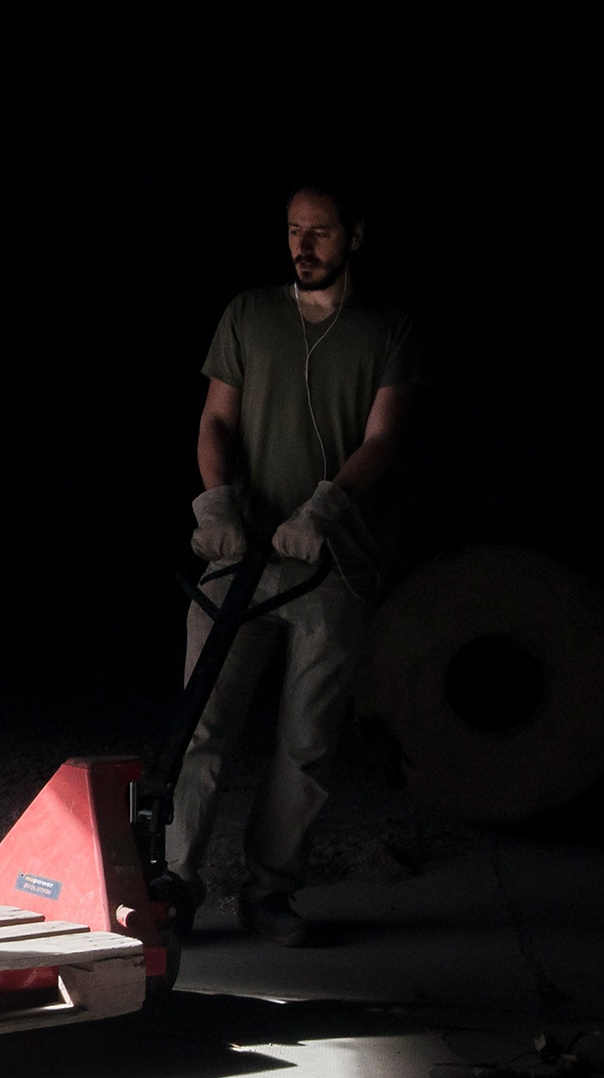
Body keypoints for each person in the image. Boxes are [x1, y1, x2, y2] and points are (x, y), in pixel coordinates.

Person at [167, 180, 421, 946]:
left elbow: (381, 441)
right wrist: (215, 501)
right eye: (293, 231)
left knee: (306, 743)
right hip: (241, 554)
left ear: (355, 236)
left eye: (321, 232)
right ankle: (173, 888)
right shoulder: (249, 314)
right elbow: (216, 416)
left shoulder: (389, 331)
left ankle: (269, 893)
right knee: (202, 726)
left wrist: (327, 507)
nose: (304, 246)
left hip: (327, 563)